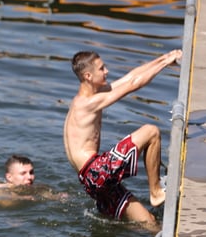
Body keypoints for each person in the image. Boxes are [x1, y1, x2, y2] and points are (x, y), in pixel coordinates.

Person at [63, 49, 182, 227]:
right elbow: (134, 84)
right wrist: (166, 63)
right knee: (151, 131)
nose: (107, 71)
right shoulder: (88, 104)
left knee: (149, 222)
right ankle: (156, 192)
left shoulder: (86, 97)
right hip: (97, 171)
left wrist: (164, 58)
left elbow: (129, 77)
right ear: (88, 75)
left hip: (91, 180)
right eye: (102, 69)